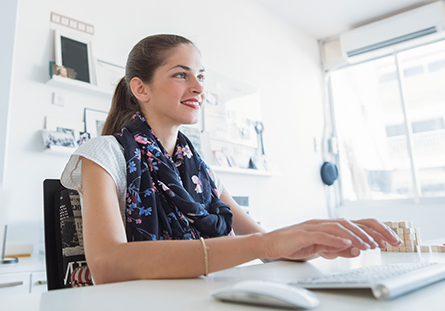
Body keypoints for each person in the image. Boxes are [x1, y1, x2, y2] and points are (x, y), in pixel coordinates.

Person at [61, 34, 403, 285]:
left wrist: (313, 238)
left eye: (201, 76)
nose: (198, 87)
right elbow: (108, 263)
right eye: (181, 75)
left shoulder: (198, 169)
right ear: (141, 89)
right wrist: (262, 243)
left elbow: (264, 243)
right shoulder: (104, 153)